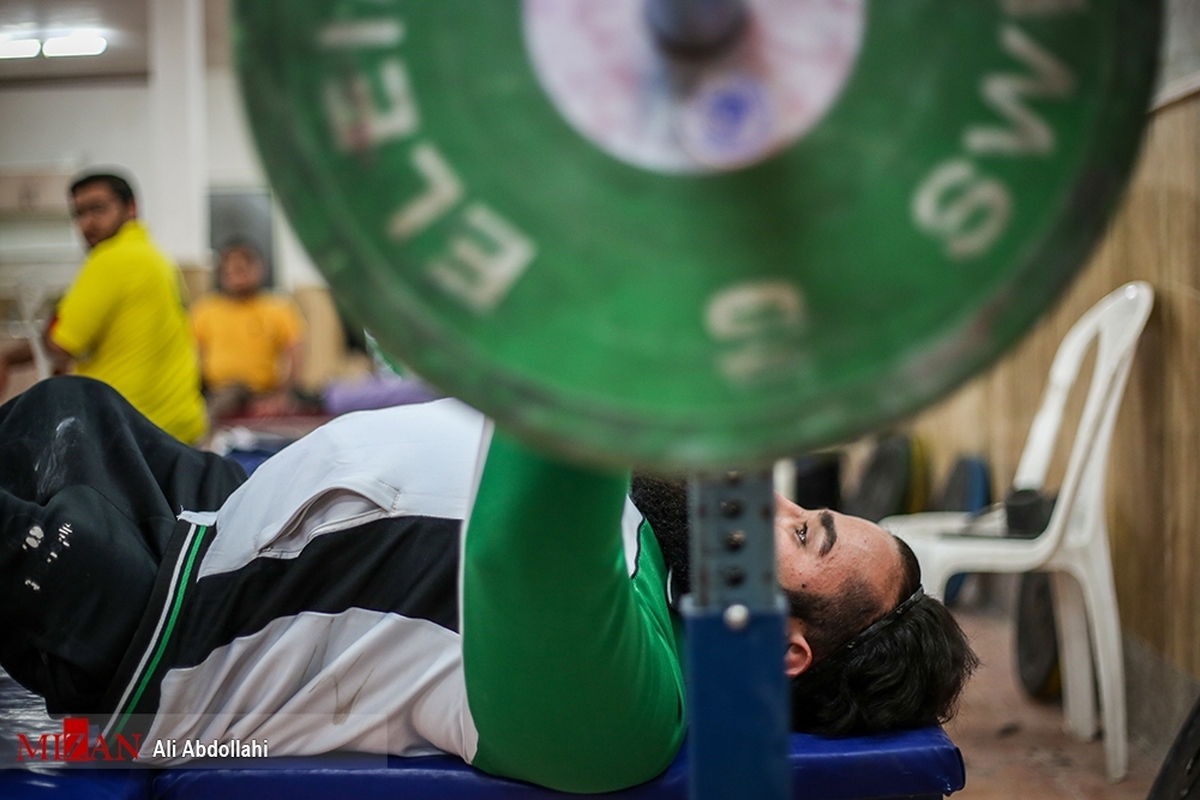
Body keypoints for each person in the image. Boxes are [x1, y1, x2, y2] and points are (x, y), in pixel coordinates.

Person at [0, 376, 977, 794]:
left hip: (152, 628)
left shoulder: (627, 707)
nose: (767, 500)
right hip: (203, 510)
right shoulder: (651, 546)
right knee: (62, 404)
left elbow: (523, 530)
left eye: (801, 530)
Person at [0, 172, 206, 444]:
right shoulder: (156, 257)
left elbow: (60, 343)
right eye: (79, 213)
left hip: (134, 429)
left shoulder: (110, 259)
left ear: (131, 208)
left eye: (98, 208)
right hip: (178, 424)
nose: (87, 223)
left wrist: (7, 359)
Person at [191, 242, 306, 419]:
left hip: (261, 393)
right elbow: (191, 356)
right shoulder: (206, 310)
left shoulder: (277, 308)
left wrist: (281, 397)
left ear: (258, 269)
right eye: (229, 271)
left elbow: (295, 354)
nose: (235, 277)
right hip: (216, 392)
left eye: (241, 270)